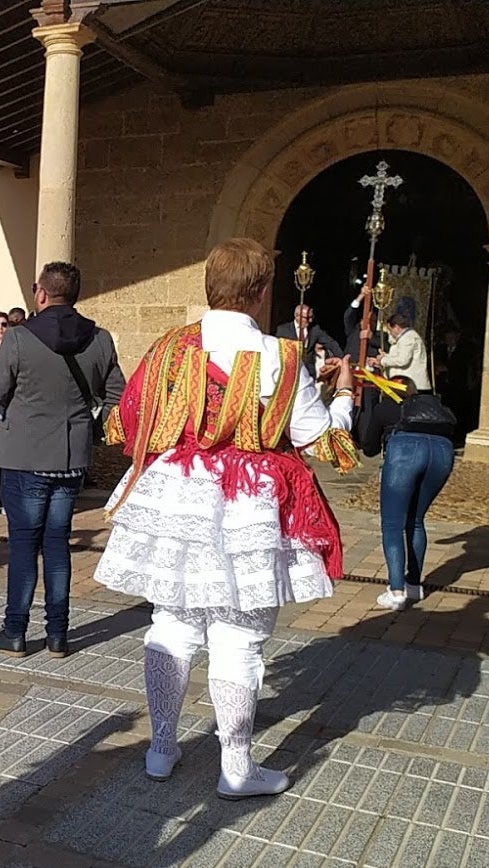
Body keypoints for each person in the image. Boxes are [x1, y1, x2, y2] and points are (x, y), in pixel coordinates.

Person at [95, 238, 357, 799]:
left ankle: (162, 748)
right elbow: (324, 441)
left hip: (178, 494)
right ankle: (235, 767)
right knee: (239, 638)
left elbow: (129, 418)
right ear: (262, 292)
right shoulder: (279, 356)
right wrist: (345, 397)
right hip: (248, 501)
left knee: (171, 624)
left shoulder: (169, 348)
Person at [0, 261, 127, 658]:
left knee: (24, 545)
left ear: (41, 294)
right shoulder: (100, 338)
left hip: (25, 452)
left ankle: (15, 631)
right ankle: (58, 634)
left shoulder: (18, 338)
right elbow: (118, 395)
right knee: (58, 544)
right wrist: (89, 417)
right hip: (72, 454)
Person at [361, 391, 459, 610]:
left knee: (393, 524)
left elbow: (368, 447)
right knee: (416, 520)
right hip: (443, 451)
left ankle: (396, 591)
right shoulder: (435, 410)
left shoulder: (386, 407)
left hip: (405, 450)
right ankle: (413, 584)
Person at [274, 304, 343, 378]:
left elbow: (331, 343)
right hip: (289, 373)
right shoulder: (283, 330)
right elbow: (275, 350)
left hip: (308, 372)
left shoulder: (315, 329)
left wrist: (342, 359)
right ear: (297, 316)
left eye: (311, 317)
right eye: (307, 318)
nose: (310, 320)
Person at [370, 312, 431, 391]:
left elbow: (402, 360)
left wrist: (382, 360)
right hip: (405, 386)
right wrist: (383, 358)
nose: (391, 334)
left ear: (397, 327)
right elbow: (399, 355)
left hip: (412, 386)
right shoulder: (404, 338)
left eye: (390, 330)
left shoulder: (408, 338)